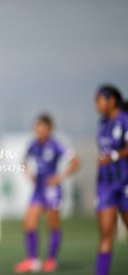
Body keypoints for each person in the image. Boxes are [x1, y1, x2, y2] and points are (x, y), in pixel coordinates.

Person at [14, 113, 80, 273]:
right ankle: (33, 260)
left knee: (53, 225)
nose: (38, 130)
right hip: (39, 189)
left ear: (49, 128)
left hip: (52, 190)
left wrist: (59, 177)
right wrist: (29, 174)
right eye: (36, 127)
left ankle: (51, 259)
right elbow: (23, 160)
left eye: (41, 127)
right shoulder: (34, 144)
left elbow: (75, 162)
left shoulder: (56, 145)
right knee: (29, 223)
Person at [95, 84, 128, 275]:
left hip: (125, 182)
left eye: (99, 100)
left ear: (111, 100)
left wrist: (113, 157)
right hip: (106, 185)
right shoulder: (103, 123)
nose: (96, 105)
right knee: (106, 233)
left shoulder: (125, 120)